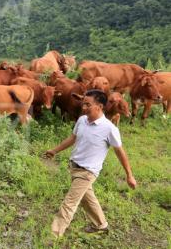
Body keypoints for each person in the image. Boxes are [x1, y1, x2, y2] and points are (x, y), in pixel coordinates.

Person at [44, 89, 137, 238]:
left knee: (69, 203)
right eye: (83, 104)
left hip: (88, 172)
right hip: (74, 167)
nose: (83, 107)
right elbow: (72, 138)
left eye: (88, 104)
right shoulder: (81, 120)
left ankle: (53, 235)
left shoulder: (109, 129)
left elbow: (120, 153)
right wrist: (54, 150)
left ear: (99, 106)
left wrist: (129, 175)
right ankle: (101, 225)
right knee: (88, 199)